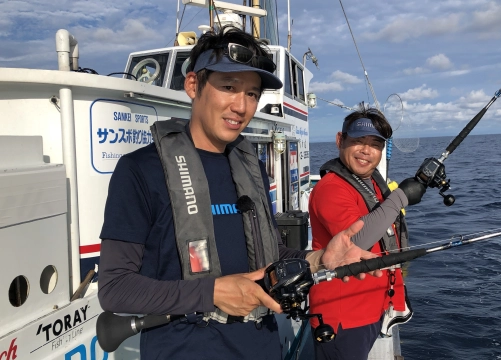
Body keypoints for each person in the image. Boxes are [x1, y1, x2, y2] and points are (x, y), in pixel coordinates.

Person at [98, 26, 378, 360]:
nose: (241, 107)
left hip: (262, 346)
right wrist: (211, 291)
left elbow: (270, 257)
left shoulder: (252, 167)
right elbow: (115, 288)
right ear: (193, 85)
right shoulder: (140, 170)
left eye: (251, 94)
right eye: (228, 87)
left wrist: (319, 259)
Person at [308, 106, 426, 360]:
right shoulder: (331, 188)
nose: (366, 150)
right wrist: (401, 198)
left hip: (371, 306)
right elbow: (354, 243)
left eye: (375, 144)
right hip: (344, 315)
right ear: (340, 141)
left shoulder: (370, 183)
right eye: (358, 141)